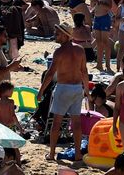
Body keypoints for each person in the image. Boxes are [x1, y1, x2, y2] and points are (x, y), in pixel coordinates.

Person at [40, 22, 89, 161]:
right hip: (77, 88)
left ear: (66, 35)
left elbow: (50, 74)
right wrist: (87, 91)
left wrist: (41, 91)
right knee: (76, 123)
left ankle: (51, 154)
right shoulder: (80, 50)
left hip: (63, 88)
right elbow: (84, 72)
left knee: (56, 122)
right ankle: (78, 154)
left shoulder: (59, 52)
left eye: (58, 33)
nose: (55, 35)